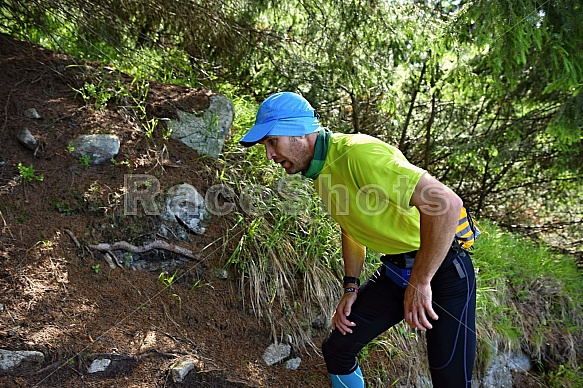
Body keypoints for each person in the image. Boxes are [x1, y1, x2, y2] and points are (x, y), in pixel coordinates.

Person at [239, 91, 477, 388]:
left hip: (442, 269)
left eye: (272, 141)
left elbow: (446, 204)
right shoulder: (321, 172)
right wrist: (351, 286)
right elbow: (351, 229)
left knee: (450, 380)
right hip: (397, 269)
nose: (270, 155)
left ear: (299, 131)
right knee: (338, 349)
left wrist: (421, 280)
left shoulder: (357, 153)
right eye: (266, 146)